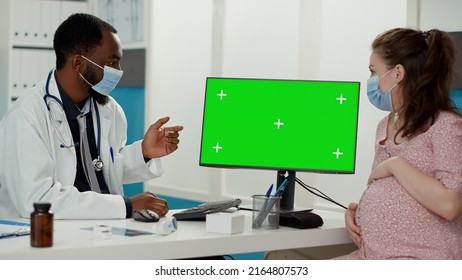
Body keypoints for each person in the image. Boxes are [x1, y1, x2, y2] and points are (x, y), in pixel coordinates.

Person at [0, 13, 184, 219]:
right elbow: (36, 199)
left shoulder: (108, 109)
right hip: (45, 235)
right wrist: (126, 205)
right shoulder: (26, 116)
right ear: (78, 63)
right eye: (112, 62)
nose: (119, 70)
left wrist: (144, 152)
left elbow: (104, 167)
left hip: (103, 227)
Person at [336, 28, 462, 259]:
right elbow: (384, 189)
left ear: (398, 73)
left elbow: (450, 205)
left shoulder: (446, 127)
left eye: (373, 72)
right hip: (373, 256)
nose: (371, 82)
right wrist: (357, 212)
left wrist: (396, 164)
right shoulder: (385, 126)